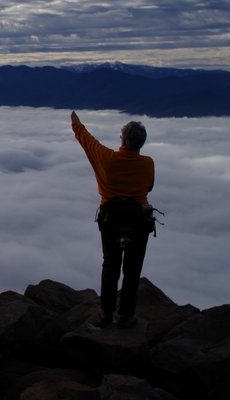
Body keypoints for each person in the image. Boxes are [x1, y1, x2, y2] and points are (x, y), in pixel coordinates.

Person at [70, 110, 155, 328]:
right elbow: (148, 187)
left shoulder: (107, 159)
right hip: (139, 222)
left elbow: (88, 142)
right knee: (133, 269)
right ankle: (127, 316)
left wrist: (76, 124)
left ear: (123, 140)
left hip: (110, 220)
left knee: (110, 266)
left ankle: (106, 314)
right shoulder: (147, 163)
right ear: (141, 144)